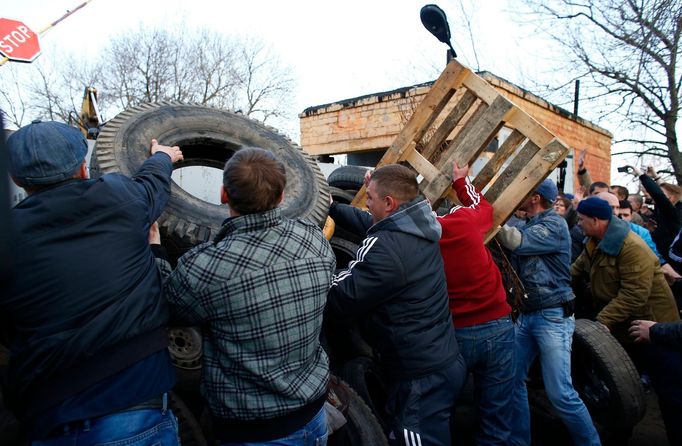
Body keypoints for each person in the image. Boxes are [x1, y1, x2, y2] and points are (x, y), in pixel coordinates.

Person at [2, 120, 183, 444]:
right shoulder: (121, 197)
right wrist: (163, 156)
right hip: (137, 405)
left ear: (15, 178)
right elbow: (153, 182)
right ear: (83, 167)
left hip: (50, 418)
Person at [157, 148, 335, 445]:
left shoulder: (206, 267)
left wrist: (156, 251)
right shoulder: (312, 239)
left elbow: (165, 307)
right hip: (315, 417)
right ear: (281, 197)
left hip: (254, 432)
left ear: (224, 194)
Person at [326, 164, 466, 446]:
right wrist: (333, 208)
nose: (366, 202)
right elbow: (373, 223)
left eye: (371, 197)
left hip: (420, 378)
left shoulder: (387, 248)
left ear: (389, 203)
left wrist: (302, 271)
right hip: (438, 362)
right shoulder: (418, 225)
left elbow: (341, 296)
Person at [496, 179, 600, 446]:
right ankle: (519, 441)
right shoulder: (532, 223)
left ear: (535, 197)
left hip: (552, 316)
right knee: (512, 380)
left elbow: (515, 241)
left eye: (525, 190)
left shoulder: (553, 224)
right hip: (529, 314)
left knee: (560, 394)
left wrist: (489, 217)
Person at [571, 196, 681, 445]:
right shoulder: (593, 242)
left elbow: (635, 295)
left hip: (654, 327)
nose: (578, 223)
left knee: (671, 393)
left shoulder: (632, 247)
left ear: (597, 221)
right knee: (619, 385)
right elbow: (575, 271)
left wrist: (601, 323)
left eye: (582, 219)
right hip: (624, 326)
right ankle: (619, 432)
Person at [437, 162, 514, 445]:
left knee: (443, 407)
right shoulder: (463, 222)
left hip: (456, 333)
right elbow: (484, 208)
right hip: (498, 328)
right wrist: (461, 181)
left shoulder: (416, 235)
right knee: (496, 414)